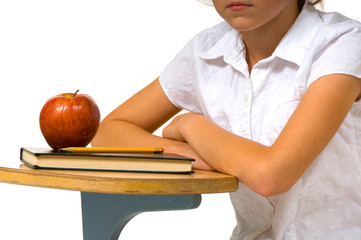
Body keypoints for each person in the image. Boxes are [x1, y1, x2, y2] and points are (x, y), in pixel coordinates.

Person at [92, 0, 361, 238]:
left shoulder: (342, 43)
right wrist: (181, 152)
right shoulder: (206, 51)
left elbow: (271, 176)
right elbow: (108, 131)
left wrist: (190, 125)